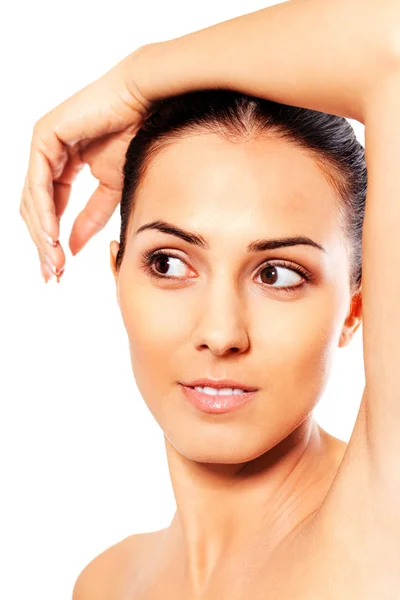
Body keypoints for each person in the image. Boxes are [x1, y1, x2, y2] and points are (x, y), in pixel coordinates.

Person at [20, 0, 400, 598]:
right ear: (117, 274)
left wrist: (138, 76)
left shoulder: (387, 525)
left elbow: (393, 47)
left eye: (278, 274)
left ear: (357, 307)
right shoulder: (105, 582)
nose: (221, 333)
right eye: (169, 263)